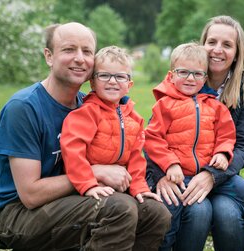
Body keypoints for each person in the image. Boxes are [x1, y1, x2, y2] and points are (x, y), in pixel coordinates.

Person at [0, 23, 170, 251]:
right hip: (16, 212)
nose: (80, 58)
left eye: (87, 51)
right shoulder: (24, 108)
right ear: (49, 56)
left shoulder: (90, 106)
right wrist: (94, 172)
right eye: (69, 50)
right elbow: (30, 194)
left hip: (70, 198)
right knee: (118, 208)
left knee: (154, 212)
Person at [146, 15, 244, 251]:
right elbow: (153, 137)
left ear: (237, 52)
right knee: (199, 211)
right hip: (179, 174)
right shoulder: (184, 76)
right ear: (203, 44)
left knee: (227, 214)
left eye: (227, 45)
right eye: (212, 42)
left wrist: (212, 174)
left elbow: (243, 145)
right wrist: (161, 174)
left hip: (221, 176)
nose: (217, 50)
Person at [60, 45, 171, 249]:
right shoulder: (86, 114)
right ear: (92, 82)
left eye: (120, 77)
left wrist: (139, 187)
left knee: (159, 212)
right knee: (124, 208)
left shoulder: (134, 118)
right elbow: (72, 151)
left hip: (120, 187)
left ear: (129, 84)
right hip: (88, 188)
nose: (112, 81)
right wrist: (88, 183)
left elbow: (136, 159)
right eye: (104, 76)